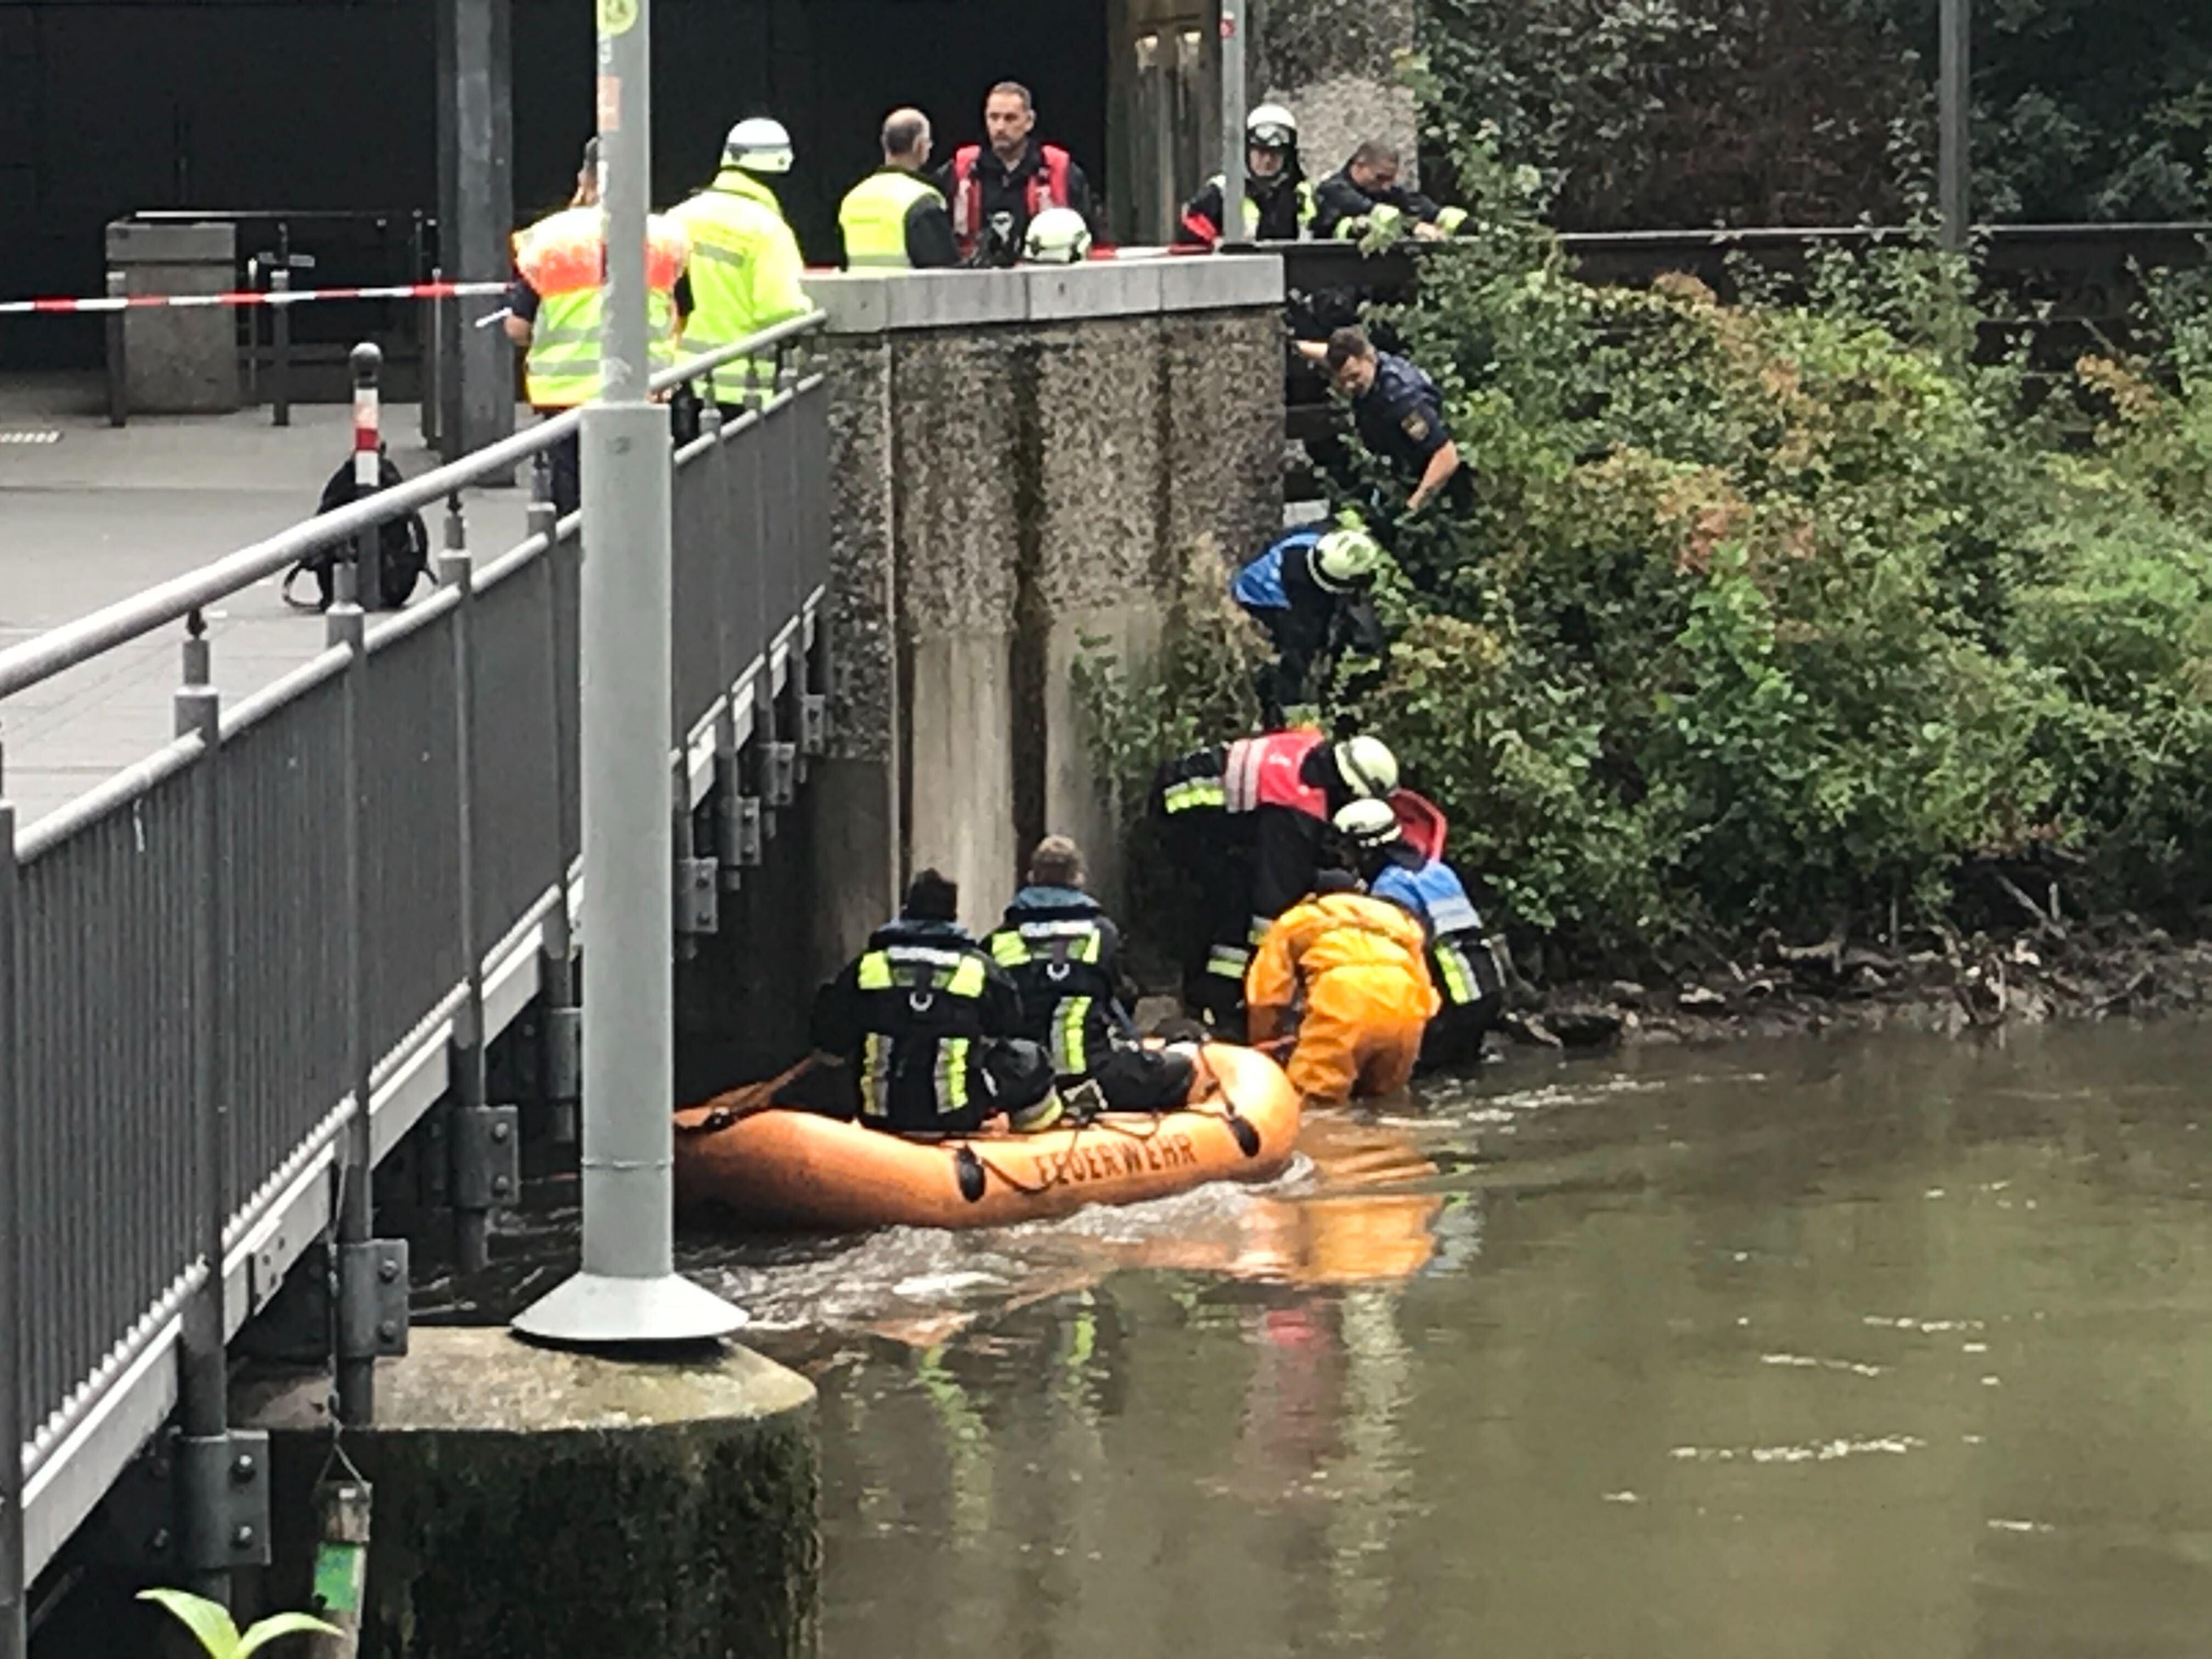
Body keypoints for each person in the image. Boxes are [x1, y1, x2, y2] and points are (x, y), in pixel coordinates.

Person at [1150, 729, 1400, 1033]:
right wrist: (1272, 967)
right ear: (1350, 789)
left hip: (1180, 784)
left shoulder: (1309, 744)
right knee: (1236, 902)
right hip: (1182, 817)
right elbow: (1274, 901)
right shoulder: (1296, 810)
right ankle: (1220, 1000)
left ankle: (1216, 994)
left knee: (1243, 887)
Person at [505, 138, 692, 515]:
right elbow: (683, 313)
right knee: (642, 502)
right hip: (645, 392)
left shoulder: (550, 239)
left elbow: (517, 328)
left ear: (585, 178)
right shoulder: (666, 238)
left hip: (567, 398)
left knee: (575, 507)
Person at [809, 868, 1063, 1134]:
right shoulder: (979, 969)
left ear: (906, 909)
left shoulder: (867, 966)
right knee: (1028, 1056)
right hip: (955, 1116)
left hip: (879, 1116)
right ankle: (1033, 1136)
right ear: (952, 915)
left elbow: (830, 1039)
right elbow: (1010, 1026)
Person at [986, 836, 1198, 1111]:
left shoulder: (998, 941)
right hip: (1096, 1073)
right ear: (1078, 878)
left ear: (1032, 877)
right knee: (1182, 1067)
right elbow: (1118, 998)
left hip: (1024, 1083)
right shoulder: (1103, 934)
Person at [1334, 799, 1506, 1068]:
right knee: (1464, 1069)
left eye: (1347, 850)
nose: (1345, 860)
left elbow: (1399, 957)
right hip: (1487, 988)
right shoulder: (1438, 871)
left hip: (1452, 999)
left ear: (1365, 850)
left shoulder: (1389, 888)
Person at [1245, 869, 1439, 1103]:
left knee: (1314, 1102)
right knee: (1387, 1103)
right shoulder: (1400, 921)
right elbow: (1427, 994)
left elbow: (1267, 995)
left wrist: (1264, 1047)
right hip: (1405, 1015)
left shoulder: (1298, 919)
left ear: (1315, 896)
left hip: (1341, 1008)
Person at [667, 117, 811, 415]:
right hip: (742, 388)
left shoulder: (678, 218)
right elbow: (780, 310)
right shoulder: (768, 230)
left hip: (680, 380)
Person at [1294, 326, 1464, 521]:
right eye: (1342, 381)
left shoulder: (1402, 400)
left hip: (1430, 483)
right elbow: (1329, 355)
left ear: (1369, 357)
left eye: (1354, 377)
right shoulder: (1363, 361)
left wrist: (1412, 509)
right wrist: (1293, 345)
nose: (1349, 386)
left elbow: (1446, 455)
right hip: (1395, 472)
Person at [1231, 522, 1391, 725]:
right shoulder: (1304, 609)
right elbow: (1301, 653)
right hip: (1259, 604)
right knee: (1291, 662)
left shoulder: (1314, 537)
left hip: (1261, 574)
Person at [940, 81, 1100, 267]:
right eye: (993, 117)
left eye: (1010, 118)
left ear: (1029, 121)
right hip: (972, 277)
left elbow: (1091, 239)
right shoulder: (960, 170)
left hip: (1045, 276)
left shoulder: (1060, 171)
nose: (1000, 127)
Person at [1177, 103, 1317, 246]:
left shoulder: (1306, 196)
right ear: (1247, 151)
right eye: (1260, 152)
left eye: (1275, 154)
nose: (1267, 161)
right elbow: (1191, 245)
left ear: (1288, 157)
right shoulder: (1220, 194)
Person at [839, 107, 960, 270]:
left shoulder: (852, 199)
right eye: (928, 142)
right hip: (907, 288)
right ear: (919, 146)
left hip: (857, 288)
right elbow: (946, 275)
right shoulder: (921, 201)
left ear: (884, 143)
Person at [1312, 140, 1469, 242]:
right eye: (1380, 177)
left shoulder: (1385, 191)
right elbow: (1369, 210)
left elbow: (1418, 205)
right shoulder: (1334, 190)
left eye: (1391, 179)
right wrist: (1414, 228)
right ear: (1359, 165)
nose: (1386, 186)